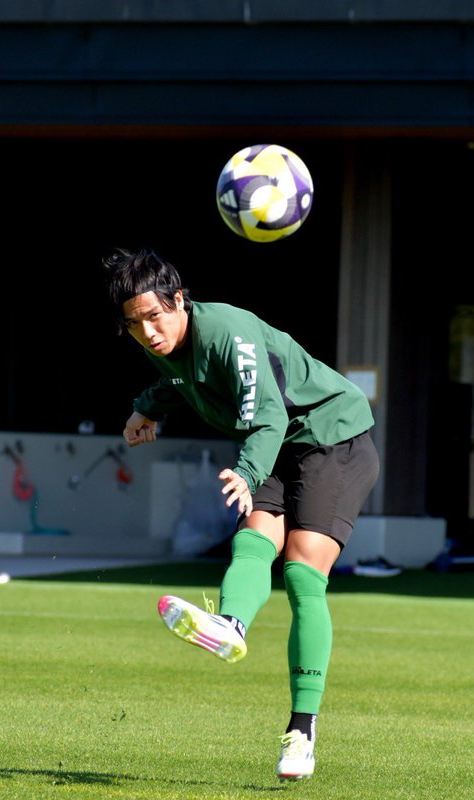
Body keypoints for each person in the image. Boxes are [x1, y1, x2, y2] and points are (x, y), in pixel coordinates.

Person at [103, 247, 379, 781]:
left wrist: (248, 473)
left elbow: (268, 416)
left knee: (301, 571)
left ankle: (302, 732)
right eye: (135, 325)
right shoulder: (161, 343)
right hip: (275, 439)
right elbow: (183, 380)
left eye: (156, 316)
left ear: (179, 300)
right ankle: (230, 623)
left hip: (331, 435)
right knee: (253, 539)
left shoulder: (229, 332)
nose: (148, 332)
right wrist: (147, 406)